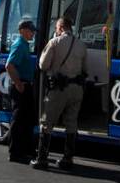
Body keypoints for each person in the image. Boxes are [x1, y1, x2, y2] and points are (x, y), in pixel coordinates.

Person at [32, 17, 87, 171]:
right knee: (71, 123)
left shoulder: (55, 42)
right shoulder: (81, 45)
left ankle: (42, 159)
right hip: (77, 89)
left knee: (47, 122)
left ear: (61, 28)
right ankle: (68, 159)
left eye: (56, 28)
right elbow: (86, 68)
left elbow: (43, 64)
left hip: (59, 89)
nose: (55, 30)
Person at [5, 19, 37, 164]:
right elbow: (9, 66)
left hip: (25, 85)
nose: (33, 33)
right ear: (22, 30)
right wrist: (18, 84)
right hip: (21, 87)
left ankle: (24, 151)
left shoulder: (25, 45)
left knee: (26, 121)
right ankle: (15, 153)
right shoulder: (19, 45)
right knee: (18, 122)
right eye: (31, 30)